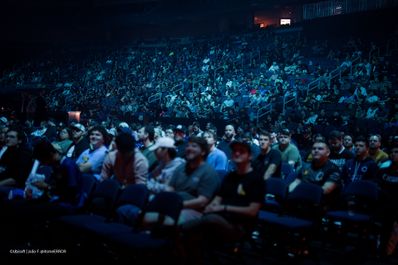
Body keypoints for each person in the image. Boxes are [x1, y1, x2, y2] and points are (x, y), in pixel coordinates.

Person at [182, 139, 264, 263]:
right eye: (235, 151)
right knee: (187, 200)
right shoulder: (230, 176)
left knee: (201, 223)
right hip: (221, 217)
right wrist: (212, 206)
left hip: (239, 226)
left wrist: (223, 208)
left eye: (241, 151)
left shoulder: (257, 179)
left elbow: (252, 211)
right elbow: (218, 198)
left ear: (250, 156)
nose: (236, 153)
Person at [166, 136, 219, 224]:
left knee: (168, 220)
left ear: (203, 152)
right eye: (187, 146)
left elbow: (202, 201)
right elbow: (170, 189)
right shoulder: (180, 168)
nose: (189, 148)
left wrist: (178, 205)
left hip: (196, 211)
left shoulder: (208, 172)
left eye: (194, 146)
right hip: (175, 205)